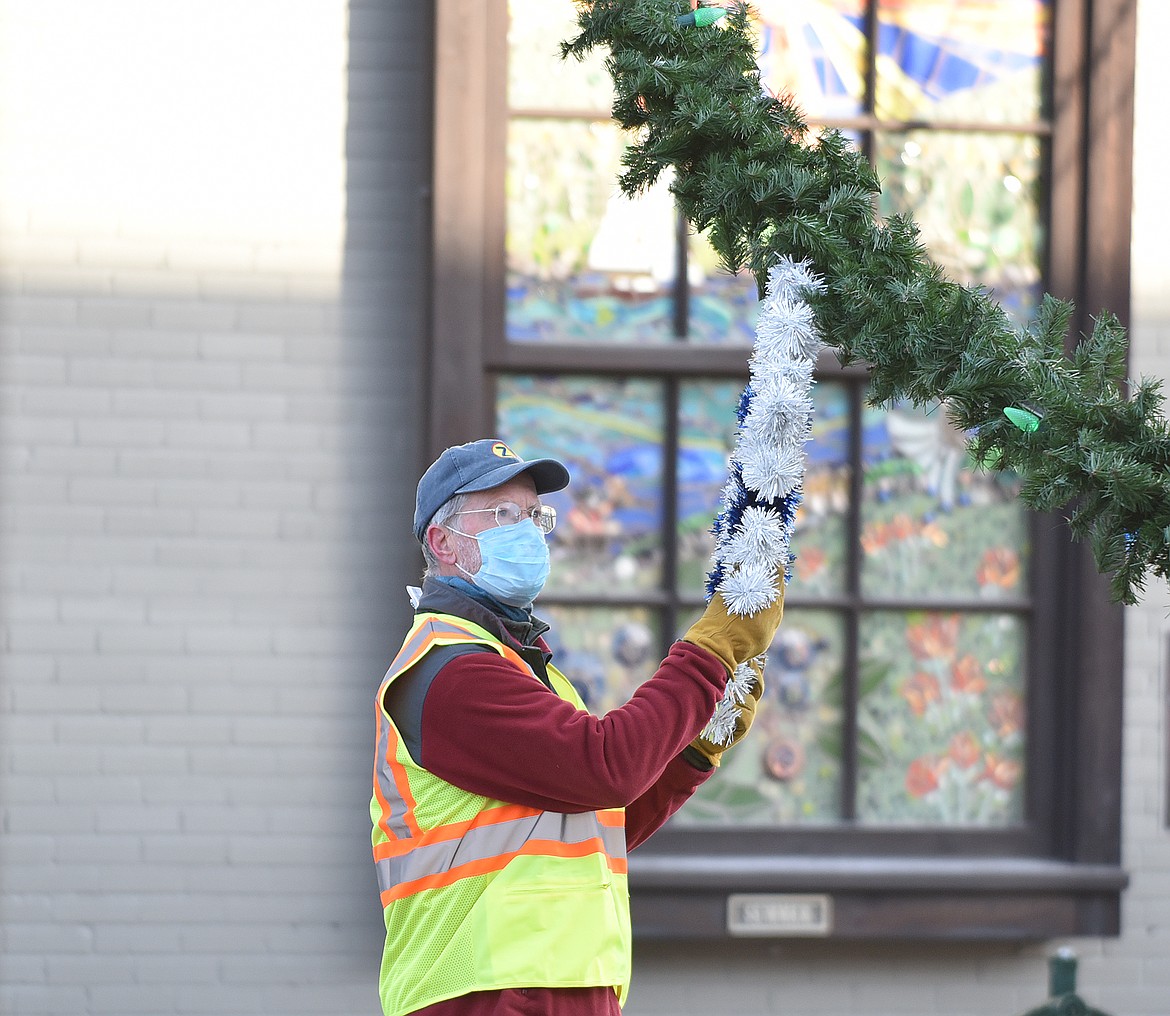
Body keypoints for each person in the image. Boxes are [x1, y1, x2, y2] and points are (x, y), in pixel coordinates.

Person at [371, 439, 784, 1016]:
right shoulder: (450, 671)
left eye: (535, 516)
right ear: (442, 543)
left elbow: (599, 817)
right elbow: (606, 768)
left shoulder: (526, 669)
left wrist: (693, 753)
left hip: (548, 983)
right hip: (483, 990)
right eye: (504, 515)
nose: (530, 532)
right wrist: (711, 652)